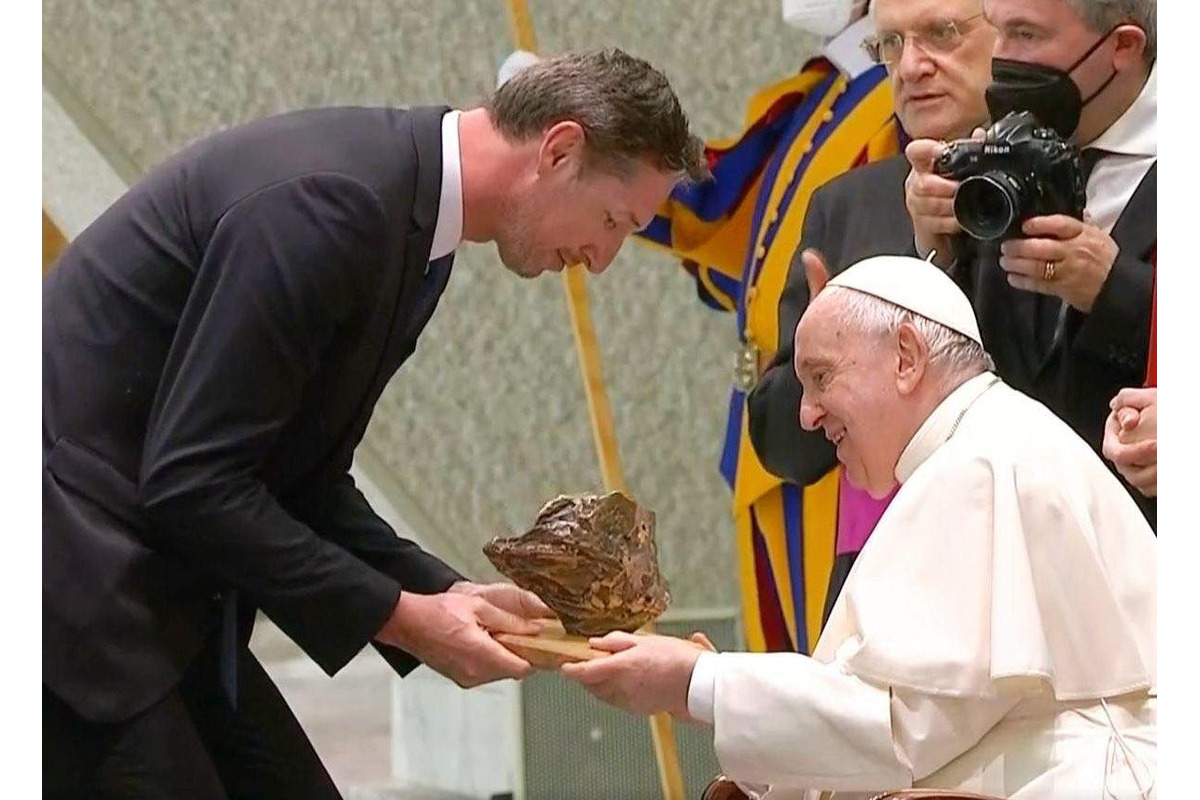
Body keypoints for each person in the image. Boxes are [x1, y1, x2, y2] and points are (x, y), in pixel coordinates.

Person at [42, 48, 708, 799]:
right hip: (69, 588)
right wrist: (401, 617)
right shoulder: (332, 206)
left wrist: (444, 593)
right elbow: (192, 483)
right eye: (614, 220)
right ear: (559, 150)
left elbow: (301, 478)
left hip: (140, 586)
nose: (602, 258)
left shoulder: (407, 215)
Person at [563, 254, 1157, 799]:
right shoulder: (979, 445)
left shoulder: (981, 462)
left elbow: (900, 727)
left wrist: (702, 683)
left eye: (821, 377)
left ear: (906, 358)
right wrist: (712, 691)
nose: (806, 414)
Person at [748, 0, 997, 623]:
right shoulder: (847, 205)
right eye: (890, 44)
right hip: (884, 593)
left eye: (941, 34)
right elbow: (784, 448)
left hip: (1023, 566)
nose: (911, 66)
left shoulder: (1074, 186)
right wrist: (826, 361)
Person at [906, 0, 1158, 525]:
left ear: (1123, 46)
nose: (1001, 59)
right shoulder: (991, 146)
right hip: (1002, 534)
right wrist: (936, 249)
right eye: (996, 32)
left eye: (1026, 35)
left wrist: (1114, 290)